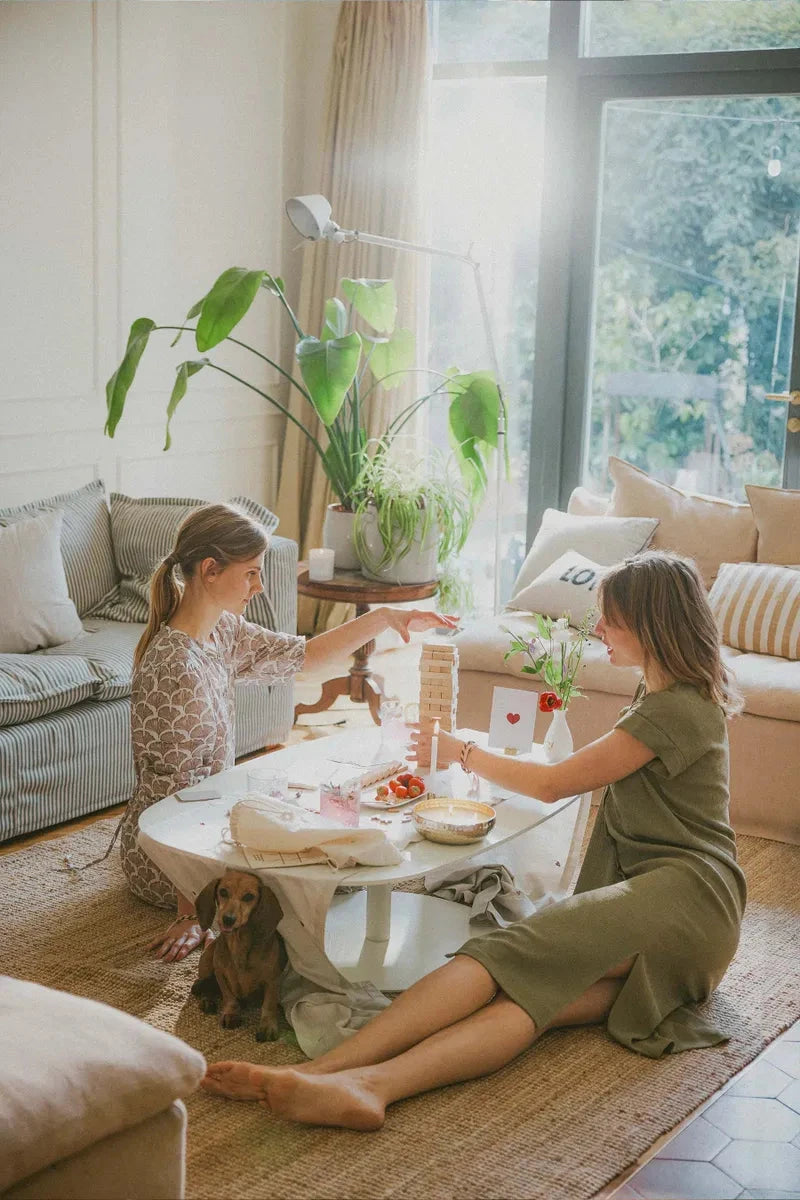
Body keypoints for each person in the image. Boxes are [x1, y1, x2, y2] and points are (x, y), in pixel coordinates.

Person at [201, 550, 747, 1131]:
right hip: (696, 927)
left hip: (687, 898)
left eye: (612, 618)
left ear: (652, 624)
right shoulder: (667, 697)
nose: (600, 629)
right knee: (531, 997)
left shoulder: (674, 710)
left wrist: (458, 751)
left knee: (498, 953)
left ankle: (328, 1070)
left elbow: (552, 783)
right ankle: (370, 1087)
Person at [122, 501, 456, 962]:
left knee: (320, 821)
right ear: (211, 570)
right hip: (170, 856)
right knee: (311, 873)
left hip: (206, 824)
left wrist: (382, 618)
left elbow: (305, 657)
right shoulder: (176, 668)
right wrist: (192, 913)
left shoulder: (220, 632)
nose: (259, 588)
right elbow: (173, 796)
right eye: (252, 573)